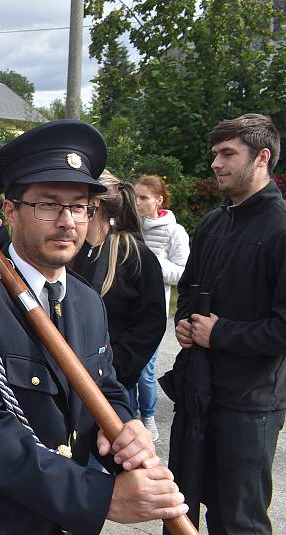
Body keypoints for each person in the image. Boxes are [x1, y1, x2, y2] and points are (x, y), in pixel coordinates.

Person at [0, 120, 186, 534]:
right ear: (11, 211)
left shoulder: (87, 301)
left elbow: (104, 388)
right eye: (48, 204)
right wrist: (98, 496)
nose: (67, 221)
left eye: (79, 207)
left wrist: (126, 430)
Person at [172, 113, 286, 534]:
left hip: (250, 404)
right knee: (179, 509)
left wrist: (218, 333)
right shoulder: (214, 222)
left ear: (262, 158)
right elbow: (188, 290)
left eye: (227, 154)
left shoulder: (281, 228)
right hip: (197, 392)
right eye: (215, 155)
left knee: (237, 520)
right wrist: (185, 322)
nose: (216, 164)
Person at [71, 171, 167, 438]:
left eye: (77, 204)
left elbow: (150, 324)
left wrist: (114, 371)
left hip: (108, 386)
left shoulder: (136, 256)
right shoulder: (69, 249)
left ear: (95, 206)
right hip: (66, 380)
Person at [133, 174, 190, 440]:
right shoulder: (129, 225)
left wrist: (153, 262)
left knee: (145, 369)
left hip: (152, 312)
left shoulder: (174, 231)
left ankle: (148, 416)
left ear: (159, 200)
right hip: (125, 309)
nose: (137, 202)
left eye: (143, 197)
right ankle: (127, 417)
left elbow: (183, 274)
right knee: (122, 367)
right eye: (135, 196)